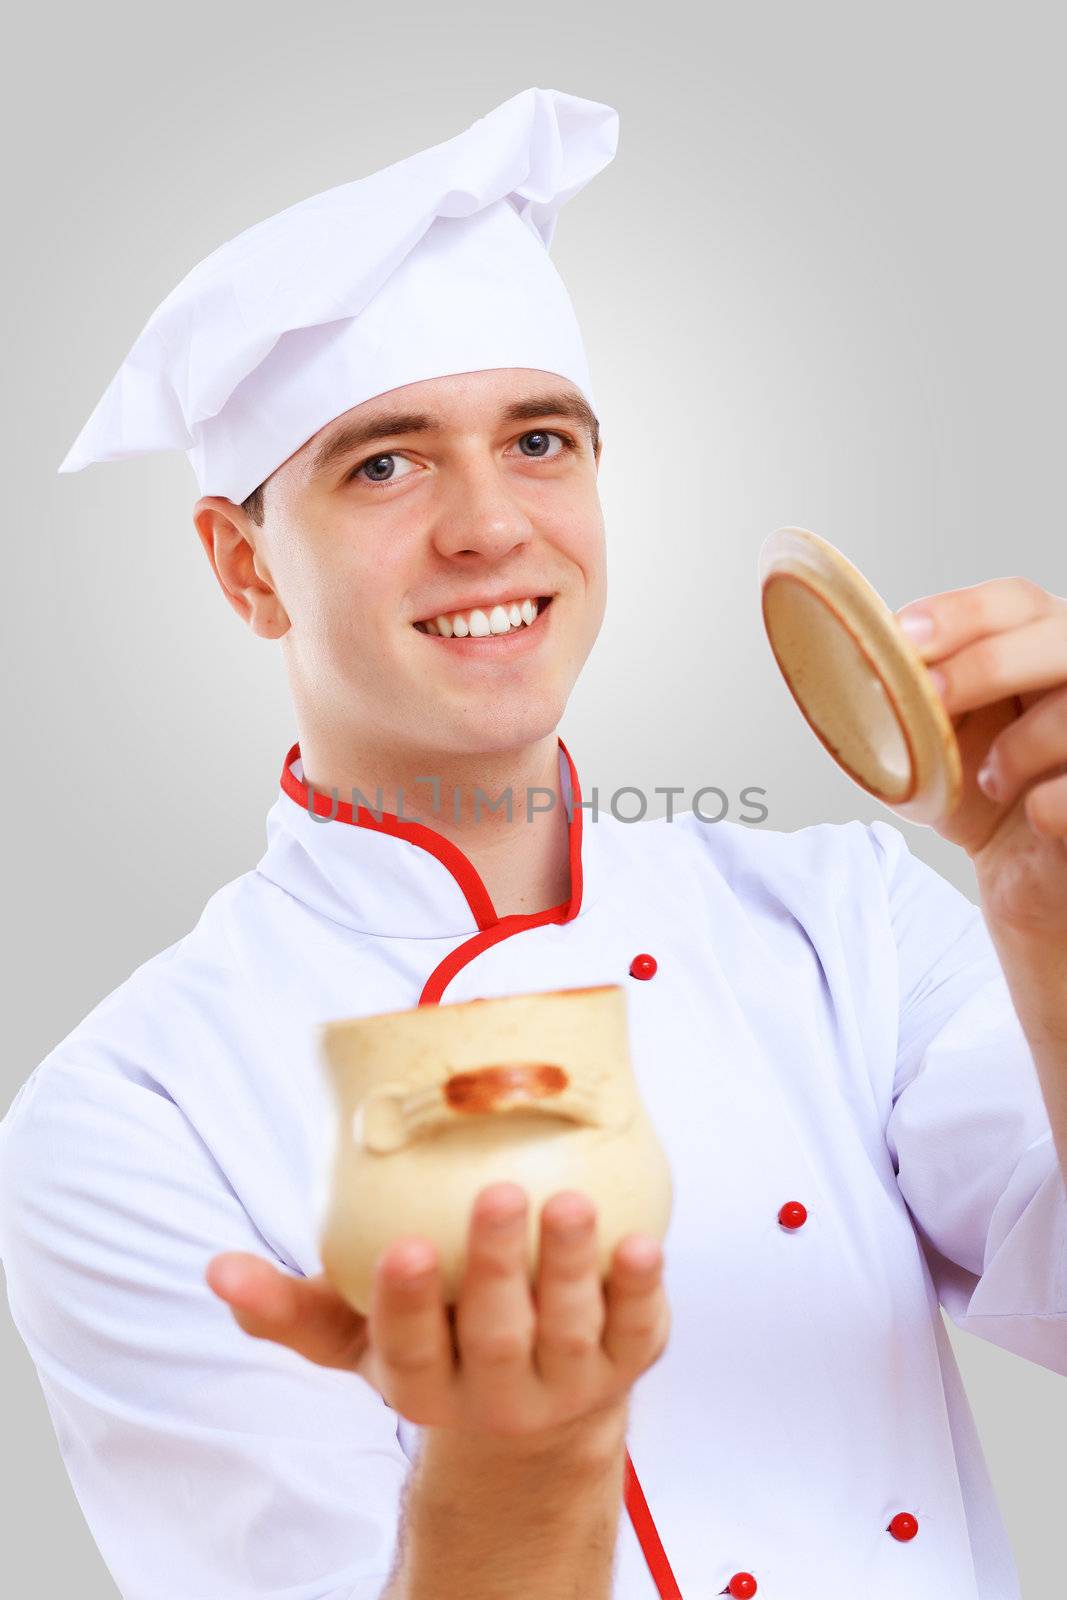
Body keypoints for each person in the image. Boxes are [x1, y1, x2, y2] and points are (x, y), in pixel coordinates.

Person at [2, 86, 1067, 1600]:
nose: (493, 525)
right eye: (386, 462)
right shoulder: (129, 1115)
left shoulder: (847, 918)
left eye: (543, 440)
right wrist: (525, 1459)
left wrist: (1047, 930)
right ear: (246, 570)